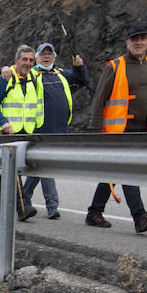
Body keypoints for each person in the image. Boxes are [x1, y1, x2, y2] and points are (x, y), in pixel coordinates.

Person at [86, 23, 147, 233]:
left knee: (114, 171)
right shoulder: (115, 66)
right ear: (127, 42)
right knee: (129, 171)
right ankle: (140, 217)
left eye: (142, 38)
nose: (138, 42)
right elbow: (99, 99)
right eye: (133, 38)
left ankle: (94, 212)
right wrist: (97, 130)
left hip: (142, 130)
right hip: (119, 130)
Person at [19, 42, 89, 219]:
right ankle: (52, 206)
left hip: (60, 129)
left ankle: (25, 199)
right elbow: (13, 73)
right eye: (43, 54)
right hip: (39, 129)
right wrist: (5, 68)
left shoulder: (62, 73)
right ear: (36, 58)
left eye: (49, 54)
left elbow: (83, 80)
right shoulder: (31, 74)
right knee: (45, 166)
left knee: (40, 167)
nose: (46, 56)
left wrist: (79, 67)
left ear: (55, 57)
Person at [0, 45, 42, 220]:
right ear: (16, 61)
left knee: (8, 169)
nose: (27, 63)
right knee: (14, 168)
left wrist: (37, 127)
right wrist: (4, 123)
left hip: (26, 131)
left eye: (31, 60)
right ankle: (22, 208)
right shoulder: (6, 78)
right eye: (24, 59)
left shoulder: (34, 78)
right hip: (8, 132)